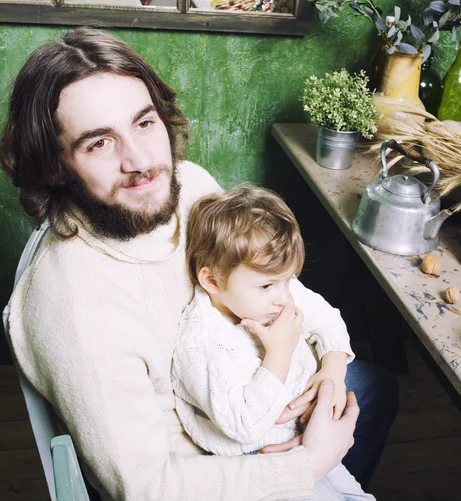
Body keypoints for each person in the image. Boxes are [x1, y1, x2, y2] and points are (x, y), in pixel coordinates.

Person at [0, 28, 398, 501]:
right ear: (56, 165)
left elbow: (265, 283)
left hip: (257, 388)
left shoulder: (189, 186)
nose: (141, 161)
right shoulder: (73, 309)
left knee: (373, 390)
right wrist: (308, 463)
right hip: (204, 468)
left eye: (144, 123)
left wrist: (330, 372)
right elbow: (148, 486)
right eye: (99, 143)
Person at [172, 185, 375, 500]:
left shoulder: (270, 293)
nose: (284, 298)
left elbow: (326, 316)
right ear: (212, 280)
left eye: (288, 280)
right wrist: (279, 352)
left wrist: (333, 368)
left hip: (306, 432)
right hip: (260, 461)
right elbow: (243, 425)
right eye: (267, 285)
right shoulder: (201, 345)